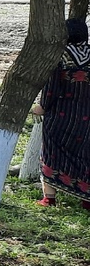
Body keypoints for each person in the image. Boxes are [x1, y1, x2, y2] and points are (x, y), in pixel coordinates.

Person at [33, 17, 90, 210]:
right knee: (85, 155)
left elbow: (51, 88)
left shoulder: (59, 55)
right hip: (86, 118)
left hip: (60, 116)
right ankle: (86, 198)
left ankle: (49, 198)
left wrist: (42, 107)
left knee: (51, 153)